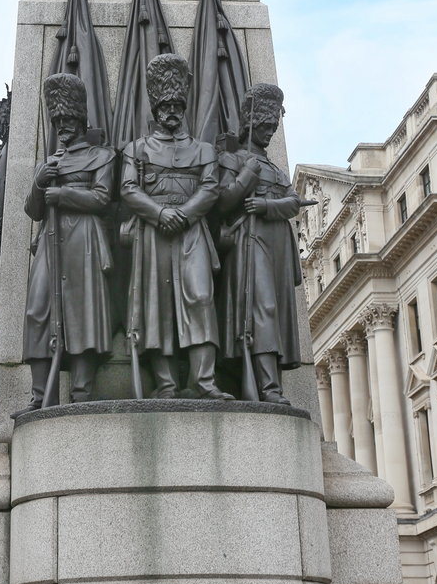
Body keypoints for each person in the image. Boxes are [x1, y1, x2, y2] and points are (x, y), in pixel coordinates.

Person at [121, 53, 232, 399]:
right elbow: (127, 188)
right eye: (164, 105)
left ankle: (204, 382)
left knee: (200, 298)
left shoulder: (202, 150)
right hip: (153, 232)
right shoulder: (136, 149)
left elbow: (211, 187)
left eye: (176, 105)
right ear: (155, 108)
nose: (171, 111)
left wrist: (183, 214)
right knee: (158, 306)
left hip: (191, 231)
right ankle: (166, 384)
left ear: (183, 107)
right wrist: (157, 213)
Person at [21, 73, 115, 411]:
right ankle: (39, 397)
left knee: (82, 312)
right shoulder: (46, 163)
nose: (63, 126)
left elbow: (103, 198)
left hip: (84, 238)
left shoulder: (101, 157)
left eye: (69, 120)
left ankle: (81, 392)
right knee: (38, 310)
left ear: (80, 119)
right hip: (49, 242)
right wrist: (39, 183)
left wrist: (62, 192)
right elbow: (33, 210)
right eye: (58, 120)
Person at [216, 84, 302, 404]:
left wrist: (266, 207)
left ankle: (270, 380)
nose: (268, 133)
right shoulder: (232, 159)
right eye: (264, 126)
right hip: (249, 241)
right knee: (261, 309)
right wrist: (245, 178)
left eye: (272, 128)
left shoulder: (278, 170)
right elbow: (223, 203)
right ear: (250, 123)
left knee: (274, 312)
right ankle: (268, 387)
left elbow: (293, 203)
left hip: (277, 243)